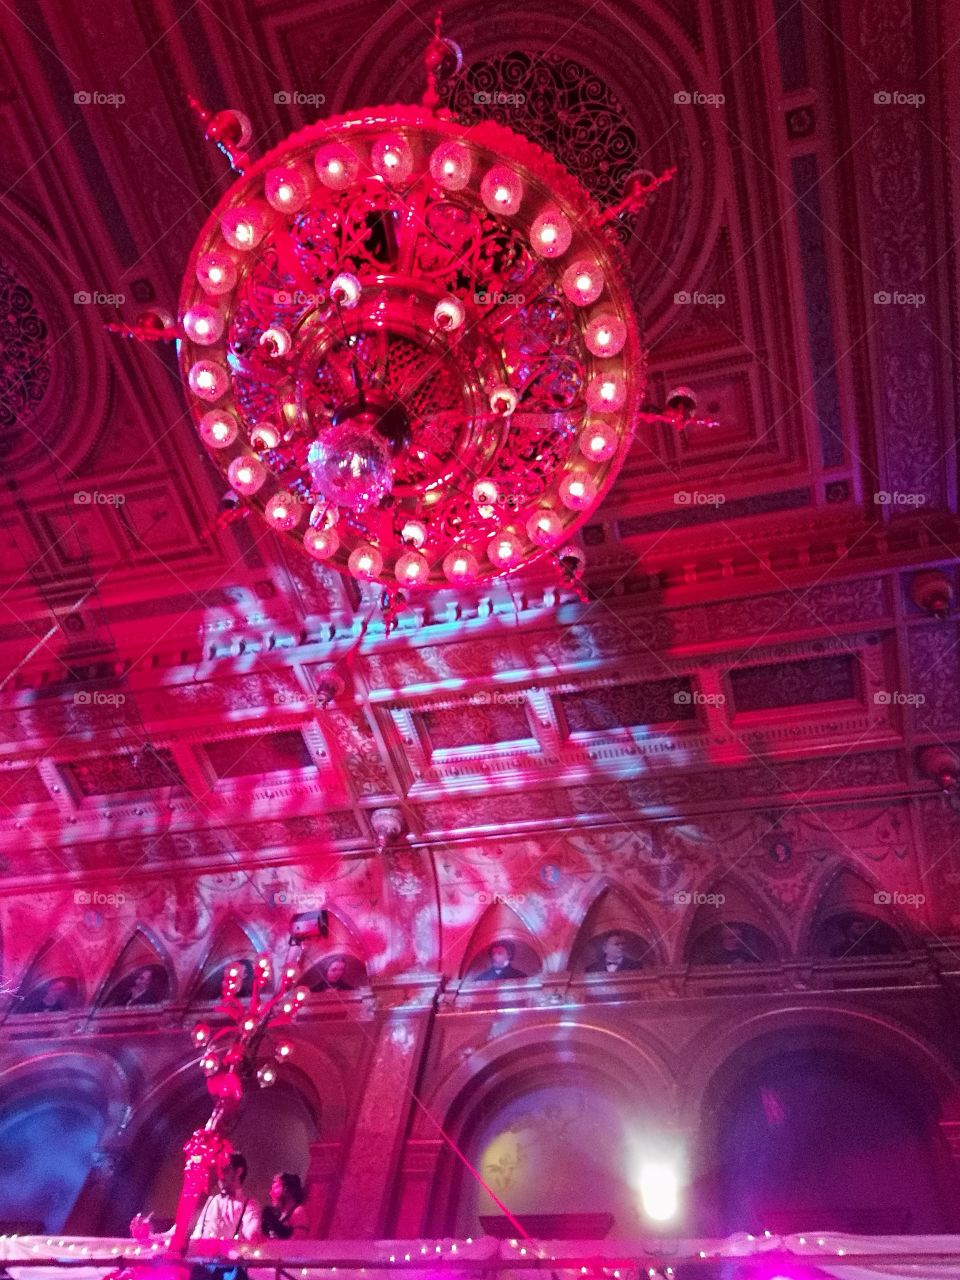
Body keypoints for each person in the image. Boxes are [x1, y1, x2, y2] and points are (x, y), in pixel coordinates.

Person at [131, 1151, 260, 1243]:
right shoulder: (205, 1202)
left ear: (238, 1171)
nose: (219, 1175)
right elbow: (175, 1234)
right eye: (218, 1170)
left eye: (224, 1169)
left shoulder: (249, 1205)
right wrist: (147, 1234)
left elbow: (251, 1231)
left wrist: (254, 1235)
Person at [261, 1172, 309, 1239]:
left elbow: (297, 1243)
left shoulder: (299, 1212)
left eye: (275, 1187)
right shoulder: (278, 1214)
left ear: (286, 1189)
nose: (271, 1193)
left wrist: (276, 1226)